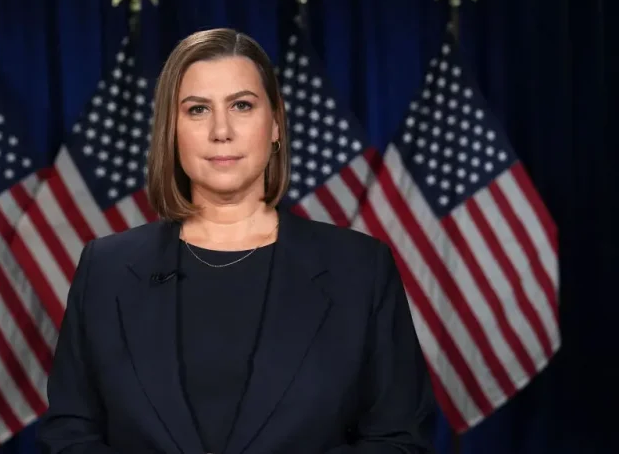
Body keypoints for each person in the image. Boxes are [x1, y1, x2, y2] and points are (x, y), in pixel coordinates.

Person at [36, 28, 437, 454]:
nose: (221, 130)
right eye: (197, 110)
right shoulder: (107, 269)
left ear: (276, 123)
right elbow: (69, 436)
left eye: (242, 105)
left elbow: (399, 440)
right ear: (171, 132)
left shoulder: (360, 269)